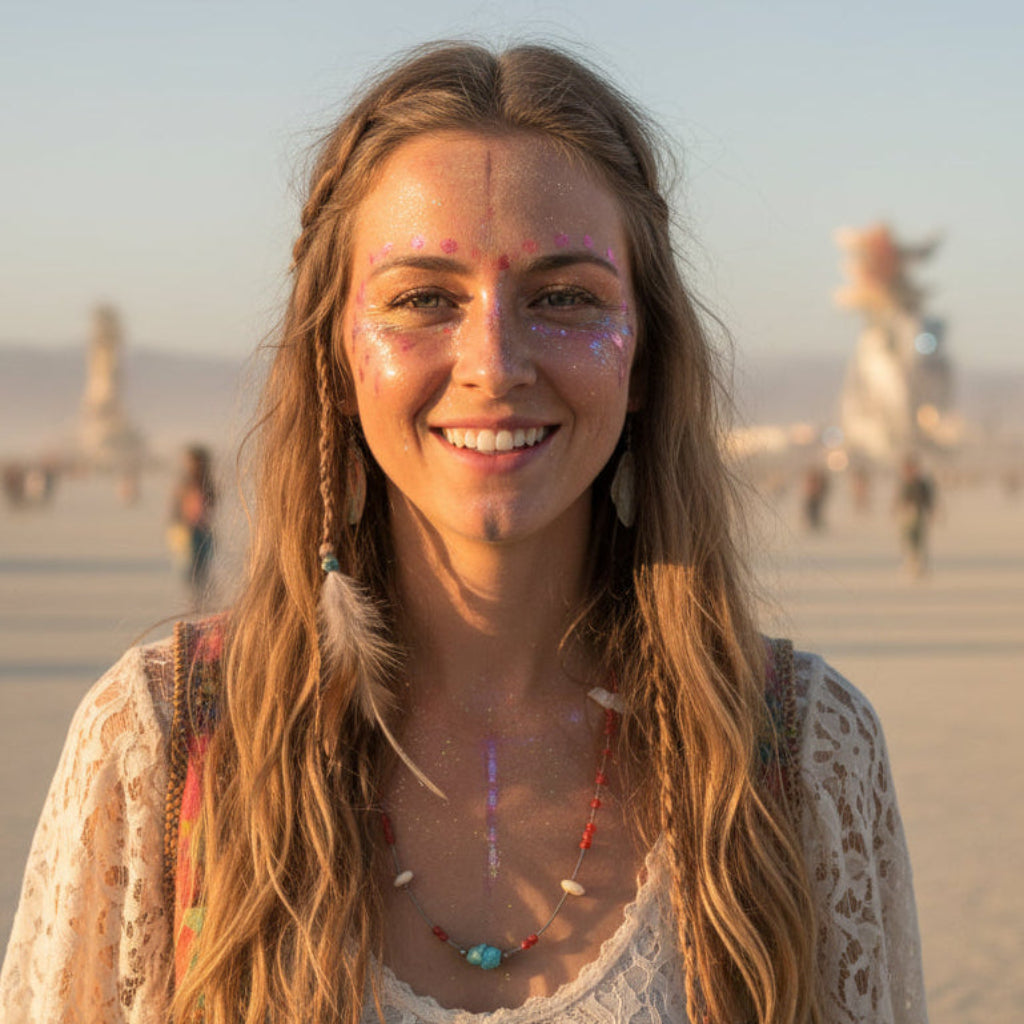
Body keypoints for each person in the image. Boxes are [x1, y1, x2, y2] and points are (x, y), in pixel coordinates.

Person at [0, 42, 927, 1024]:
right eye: (422, 299)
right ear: (336, 355)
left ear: (645, 356)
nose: (493, 360)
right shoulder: (161, 745)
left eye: (564, 297)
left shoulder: (798, 757)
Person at [169, 444, 217, 606]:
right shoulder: (185, 483)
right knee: (190, 566)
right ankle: (194, 599)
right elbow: (175, 508)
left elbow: (213, 503)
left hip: (203, 529)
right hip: (186, 529)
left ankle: (201, 598)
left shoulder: (206, 483)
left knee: (202, 566)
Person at [894, 454, 936, 577]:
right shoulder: (904, 482)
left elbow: (929, 499)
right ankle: (910, 564)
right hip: (906, 514)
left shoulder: (922, 483)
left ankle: (919, 566)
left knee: (919, 541)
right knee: (907, 540)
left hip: (919, 513)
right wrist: (896, 509)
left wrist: (931, 511)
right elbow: (899, 498)